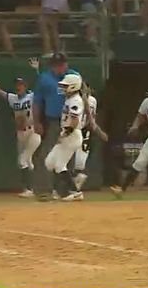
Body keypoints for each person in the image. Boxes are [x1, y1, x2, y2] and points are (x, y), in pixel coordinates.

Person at [0, 60, 41, 198]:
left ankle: (29, 189)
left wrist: (36, 70)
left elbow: (41, 86)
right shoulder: (13, 98)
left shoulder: (31, 96)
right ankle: (32, 188)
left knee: (23, 160)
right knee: (26, 161)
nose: (18, 87)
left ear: (25, 86)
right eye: (17, 85)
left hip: (33, 131)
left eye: (21, 85)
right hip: (20, 133)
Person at [33, 52, 79, 201]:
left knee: (67, 158)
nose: (61, 68)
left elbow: (83, 98)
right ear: (52, 66)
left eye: (63, 64)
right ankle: (44, 190)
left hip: (70, 121)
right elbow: (37, 102)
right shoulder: (45, 79)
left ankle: (64, 190)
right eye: (58, 65)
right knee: (47, 155)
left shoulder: (73, 77)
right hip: (53, 121)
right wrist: (36, 121)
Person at [44, 73, 86, 202]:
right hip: (67, 134)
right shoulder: (69, 99)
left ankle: (75, 192)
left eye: (65, 86)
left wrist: (66, 133)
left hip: (72, 135)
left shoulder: (76, 100)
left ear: (73, 87)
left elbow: (74, 119)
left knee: (60, 165)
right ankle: (58, 191)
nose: (63, 88)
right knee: (49, 163)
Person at [72, 83, 108, 192]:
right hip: (73, 130)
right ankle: (70, 187)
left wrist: (98, 131)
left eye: (86, 88)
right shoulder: (74, 100)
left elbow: (92, 119)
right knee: (69, 162)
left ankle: (73, 188)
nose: (85, 90)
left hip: (84, 131)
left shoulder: (92, 101)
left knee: (80, 164)